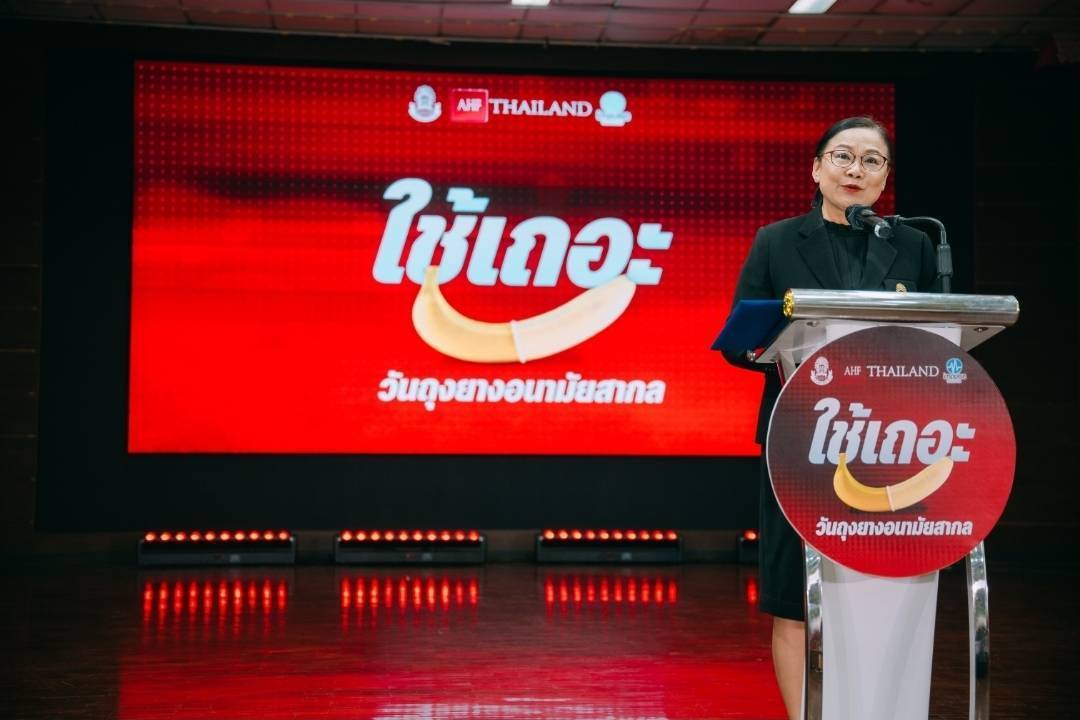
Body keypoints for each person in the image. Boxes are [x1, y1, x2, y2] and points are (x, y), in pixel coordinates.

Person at [722, 116, 938, 720]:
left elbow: (937, 338)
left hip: (889, 444)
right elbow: (741, 341)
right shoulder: (776, 241)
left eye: (871, 160)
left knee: (876, 590)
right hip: (798, 440)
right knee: (796, 595)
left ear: (885, 178)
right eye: (842, 156)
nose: (855, 170)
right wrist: (777, 350)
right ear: (817, 168)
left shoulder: (916, 246)